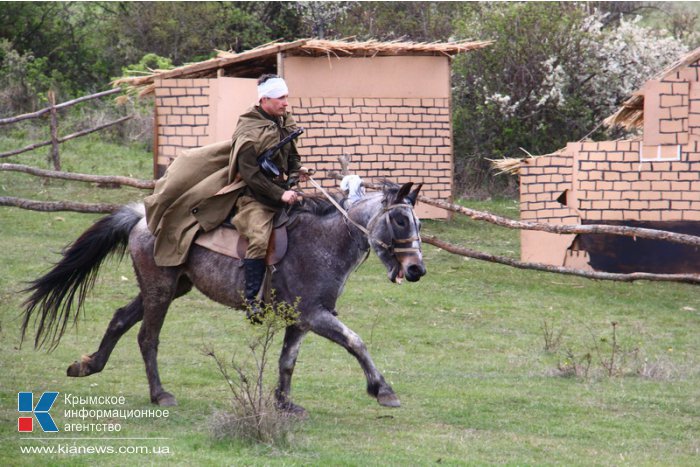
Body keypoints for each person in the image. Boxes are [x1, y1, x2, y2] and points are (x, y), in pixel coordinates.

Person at [143, 74, 307, 317]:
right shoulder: (249, 133)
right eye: (280, 98)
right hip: (254, 196)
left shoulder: (283, 121)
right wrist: (280, 195)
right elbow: (251, 176)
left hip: (283, 190)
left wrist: (295, 173)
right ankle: (252, 300)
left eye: (286, 97)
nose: (286, 102)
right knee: (259, 238)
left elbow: (292, 155)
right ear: (264, 100)